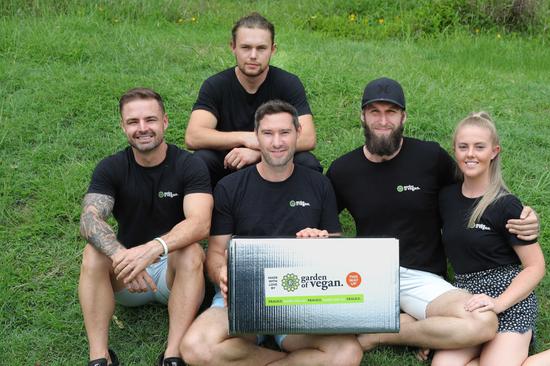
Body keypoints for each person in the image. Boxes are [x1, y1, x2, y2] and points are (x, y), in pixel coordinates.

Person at [326, 78, 540, 353]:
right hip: (369, 276)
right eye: (374, 112)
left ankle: (387, 333)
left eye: (391, 112)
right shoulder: (343, 170)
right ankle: (423, 329)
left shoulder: (429, 157)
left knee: (482, 322)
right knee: (318, 323)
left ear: (403, 117)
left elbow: (472, 190)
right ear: (362, 116)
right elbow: (325, 227)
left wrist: (526, 217)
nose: (382, 120)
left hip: (421, 277)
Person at [180, 100, 363, 366]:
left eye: (284, 133)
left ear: (298, 133)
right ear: (256, 137)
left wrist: (321, 242)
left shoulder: (319, 185)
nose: (276, 142)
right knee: (195, 347)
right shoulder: (230, 187)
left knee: (348, 353)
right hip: (242, 293)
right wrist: (222, 273)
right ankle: (290, 360)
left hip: (300, 294)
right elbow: (216, 252)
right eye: (268, 133)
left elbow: (335, 247)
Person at [428, 112, 550, 366]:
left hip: (510, 296)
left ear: (494, 151)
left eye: (479, 147)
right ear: (455, 150)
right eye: (463, 147)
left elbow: (535, 266)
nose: (470, 154)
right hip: (467, 299)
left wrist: (498, 303)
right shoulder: (446, 198)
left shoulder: (506, 205)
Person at [79, 88, 213, 366]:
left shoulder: (190, 165)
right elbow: (89, 219)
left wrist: (153, 249)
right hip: (127, 272)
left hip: (172, 274)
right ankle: (99, 358)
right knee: (92, 253)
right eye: (133, 122)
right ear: (123, 126)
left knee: (192, 252)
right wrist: (122, 257)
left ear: (165, 121)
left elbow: (200, 224)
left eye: (150, 120)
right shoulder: (111, 167)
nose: (142, 128)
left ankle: (173, 356)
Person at [185, 12, 321, 188]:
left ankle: (297, 211)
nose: (253, 55)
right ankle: (204, 213)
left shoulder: (288, 84)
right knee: (200, 160)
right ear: (233, 47)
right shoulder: (216, 85)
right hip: (229, 162)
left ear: (273, 49)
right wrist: (246, 138)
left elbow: (308, 137)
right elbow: (194, 136)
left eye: (261, 48)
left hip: (275, 161)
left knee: (306, 162)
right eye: (246, 47)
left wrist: (259, 151)